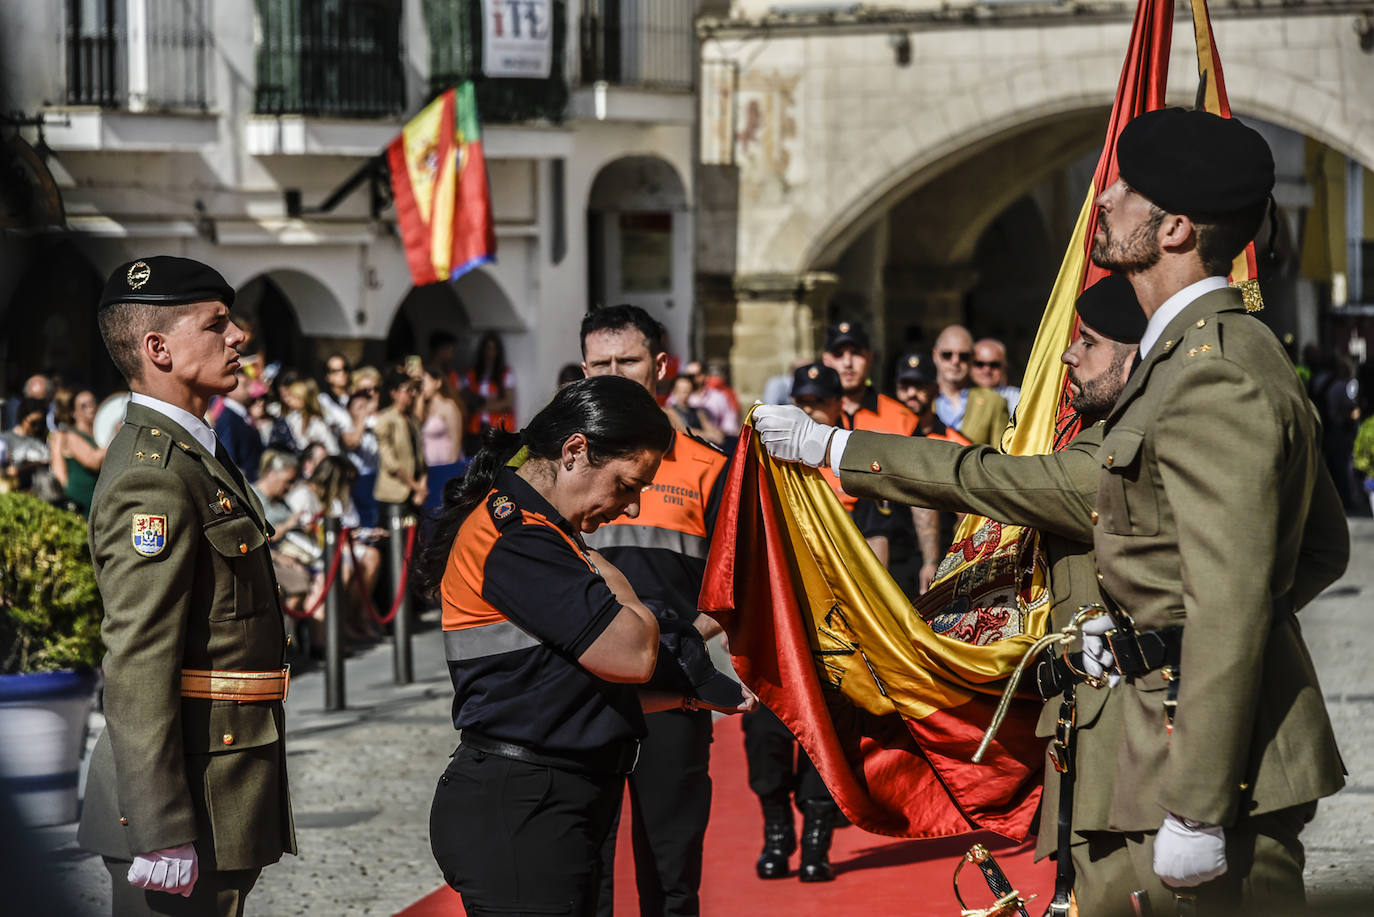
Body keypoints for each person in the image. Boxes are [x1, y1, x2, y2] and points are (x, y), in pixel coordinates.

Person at [752, 267, 1351, 914]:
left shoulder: (1120, 451)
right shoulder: (1169, 415)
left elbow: (978, 476)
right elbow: (1323, 550)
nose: (1068, 355)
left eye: (1086, 341)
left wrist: (830, 445)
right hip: (1117, 740)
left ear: (1133, 356)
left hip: (1168, 747)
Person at [1067, 107, 1348, 914]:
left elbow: (1229, 596)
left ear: (1176, 228)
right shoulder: (1207, 351)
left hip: (1203, 777)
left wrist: (1194, 805)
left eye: (1125, 189)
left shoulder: (1211, 369)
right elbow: (1321, 548)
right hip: (1176, 739)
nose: (1105, 198)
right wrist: (1164, 626)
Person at [78, 255, 293, 917]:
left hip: (221, 777)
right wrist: (161, 823)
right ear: (158, 348)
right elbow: (138, 658)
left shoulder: (194, 448)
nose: (240, 338)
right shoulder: (156, 472)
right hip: (189, 796)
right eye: (217, 324)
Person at [416, 375, 673, 916]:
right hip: (525, 803)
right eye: (626, 485)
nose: (629, 509)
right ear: (575, 450)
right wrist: (606, 573)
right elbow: (633, 651)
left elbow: (567, 683)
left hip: (546, 796)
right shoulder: (519, 536)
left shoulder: (539, 529)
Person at [579, 305, 735, 915]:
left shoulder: (709, 466)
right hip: (582, 699)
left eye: (629, 361)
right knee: (584, 876)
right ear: (583, 369)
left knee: (671, 881)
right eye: (601, 363)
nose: (615, 374)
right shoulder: (557, 465)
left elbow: (738, 586)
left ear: (661, 366)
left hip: (674, 697)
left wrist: (679, 645)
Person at [821, 320, 940, 593]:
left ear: (870, 358)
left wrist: (930, 559)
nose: (848, 363)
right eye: (839, 355)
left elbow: (921, 492)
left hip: (892, 550)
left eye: (856, 354)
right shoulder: (813, 418)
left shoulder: (900, 418)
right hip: (825, 542)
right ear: (826, 359)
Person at [893, 351, 970, 559]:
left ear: (935, 390)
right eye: (905, 386)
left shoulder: (955, 443)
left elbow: (967, 514)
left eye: (920, 386)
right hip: (895, 550)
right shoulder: (887, 438)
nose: (911, 393)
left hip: (941, 551)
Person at [931, 324, 1010, 446]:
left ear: (972, 358)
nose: (955, 361)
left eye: (963, 356)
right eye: (947, 354)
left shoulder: (994, 402)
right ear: (935, 355)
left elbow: (1001, 457)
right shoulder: (921, 399)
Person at [373, 368, 427, 517]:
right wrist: (416, 487)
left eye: (413, 390)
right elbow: (390, 463)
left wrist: (421, 485)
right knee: (397, 540)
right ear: (394, 392)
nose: (412, 394)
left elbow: (420, 458)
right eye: (408, 390)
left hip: (414, 494)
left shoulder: (412, 420)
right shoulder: (385, 420)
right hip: (394, 494)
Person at [51, 388, 106, 515]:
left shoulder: (99, 436)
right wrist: (117, 437)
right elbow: (93, 461)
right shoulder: (71, 436)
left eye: (93, 403)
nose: (91, 408)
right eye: (84, 406)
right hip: (81, 499)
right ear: (73, 413)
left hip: (99, 497)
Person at [463, 331, 516, 450]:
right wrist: (493, 401)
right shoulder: (472, 374)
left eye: (493, 349)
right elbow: (466, 399)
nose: (489, 353)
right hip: (475, 430)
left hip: (498, 430)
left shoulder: (506, 374)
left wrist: (480, 406)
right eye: (487, 348)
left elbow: (506, 403)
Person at [213, 371, 265, 484]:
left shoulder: (242, 415)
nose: (250, 390)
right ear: (230, 388)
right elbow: (228, 457)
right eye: (245, 385)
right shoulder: (228, 418)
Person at [419, 363, 465, 468]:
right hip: (429, 468)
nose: (422, 387)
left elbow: (456, 440)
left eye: (424, 383)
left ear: (437, 383)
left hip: (446, 467)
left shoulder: (448, 406)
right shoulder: (423, 408)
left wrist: (451, 467)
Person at [665, 373, 726, 447]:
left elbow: (709, 427)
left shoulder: (698, 411)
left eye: (687, 390)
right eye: (681, 390)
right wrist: (707, 435)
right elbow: (683, 430)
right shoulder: (669, 411)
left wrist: (717, 433)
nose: (685, 393)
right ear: (674, 390)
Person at [971, 337, 1021, 417]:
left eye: (994, 365)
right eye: (980, 364)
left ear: (1004, 366)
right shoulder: (959, 398)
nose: (987, 370)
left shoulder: (1017, 399)